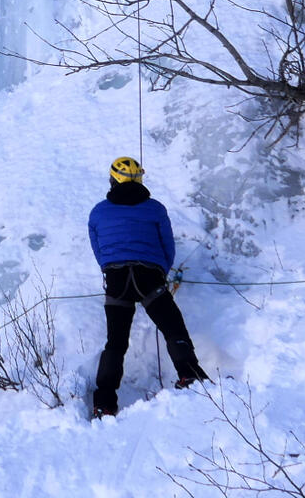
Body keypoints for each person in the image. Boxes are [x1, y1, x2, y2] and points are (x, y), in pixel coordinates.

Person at [86, 156, 208, 417]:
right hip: (149, 276)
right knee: (173, 327)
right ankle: (190, 376)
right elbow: (167, 245)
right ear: (139, 178)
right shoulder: (155, 209)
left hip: (117, 280)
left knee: (115, 343)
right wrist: (161, 270)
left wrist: (110, 270)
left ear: (112, 180)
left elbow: (99, 250)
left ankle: (104, 403)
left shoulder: (98, 212)